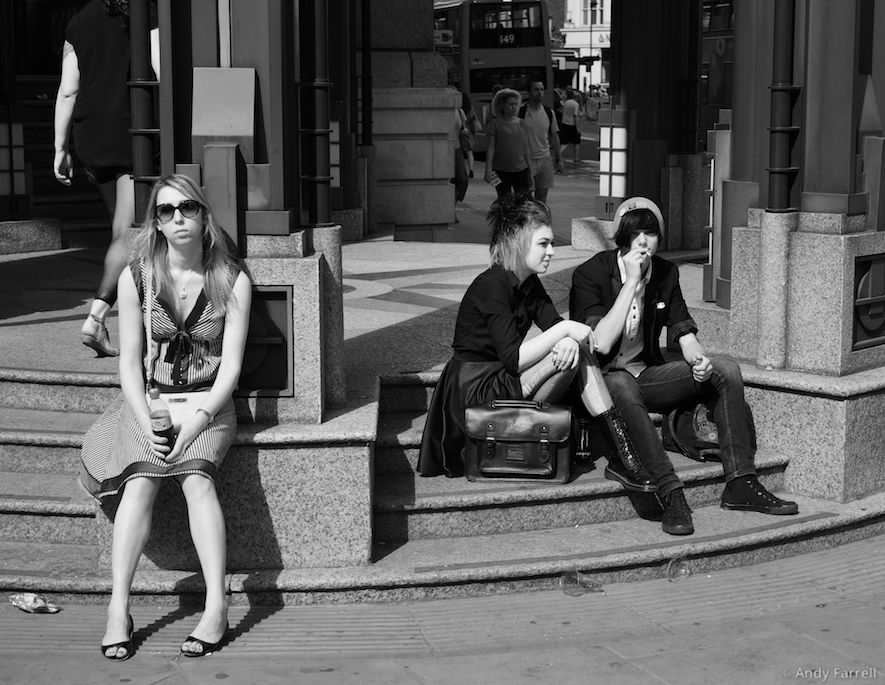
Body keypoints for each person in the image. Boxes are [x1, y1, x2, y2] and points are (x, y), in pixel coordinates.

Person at [79, 174, 252, 659]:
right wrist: (147, 414)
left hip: (207, 406)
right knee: (141, 482)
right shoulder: (136, 277)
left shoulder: (231, 277)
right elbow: (128, 364)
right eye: (166, 210)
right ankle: (119, 607)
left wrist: (197, 420)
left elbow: (231, 369)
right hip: (150, 400)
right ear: (155, 221)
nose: (177, 218)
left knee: (197, 480)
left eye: (187, 208)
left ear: (203, 215)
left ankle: (216, 606)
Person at [568, 197, 799, 536]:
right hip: (601, 381)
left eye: (651, 233)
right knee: (621, 384)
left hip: (645, 374)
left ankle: (741, 483)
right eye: (635, 233)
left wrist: (698, 359)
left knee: (726, 369)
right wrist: (631, 283)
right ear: (622, 237)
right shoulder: (591, 274)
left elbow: (683, 330)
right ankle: (671, 492)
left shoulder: (666, 273)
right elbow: (599, 342)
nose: (644, 242)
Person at [418, 194, 654, 493]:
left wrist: (566, 336)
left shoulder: (528, 282)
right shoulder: (491, 284)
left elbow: (552, 326)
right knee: (574, 348)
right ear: (518, 241)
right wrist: (567, 330)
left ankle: (622, 455)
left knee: (576, 350)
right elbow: (514, 359)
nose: (552, 252)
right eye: (543, 244)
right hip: (477, 389)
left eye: (551, 243)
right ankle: (623, 455)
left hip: (506, 380)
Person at [53, 0, 160, 358]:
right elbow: (159, 71)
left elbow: (68, 88)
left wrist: (60, 147)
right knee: (127, 233)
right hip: (130, 132)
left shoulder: (79, 21)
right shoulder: (145, 15)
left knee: (129, 229)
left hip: (90, 135)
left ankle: (136, 318)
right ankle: (97, 317)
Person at [519, 80, 564, 204]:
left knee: (541, 199)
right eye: (536, 89)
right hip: (525, 161)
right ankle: (526, 222)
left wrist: (559, 159)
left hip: (545, 160)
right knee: (525, 198)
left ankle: (538, 223)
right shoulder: (521, 113)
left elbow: (554, 136)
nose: (539, 92)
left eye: (541, 89)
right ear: (529, 93)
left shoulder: (549, 113)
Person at [484, 88, 533, 199]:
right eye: (510, 104)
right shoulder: (494, 124)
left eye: (516, 104)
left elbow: (526, 148)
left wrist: (530, 171)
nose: (514, 107)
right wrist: (487, 170)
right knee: (503, 201)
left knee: (524, 202)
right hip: (498, 171)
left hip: (521, 169)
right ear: (502, 106)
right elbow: (490, 148)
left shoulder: (522, 123)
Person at [560, 87, 583, 165]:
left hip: (564, 123)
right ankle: (576, 159)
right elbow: (575, 116)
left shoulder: (565, 103)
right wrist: (577, 128)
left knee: (565, 142)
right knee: (576, 142)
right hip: (572, 124)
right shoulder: (575, 104)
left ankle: (558, 155)